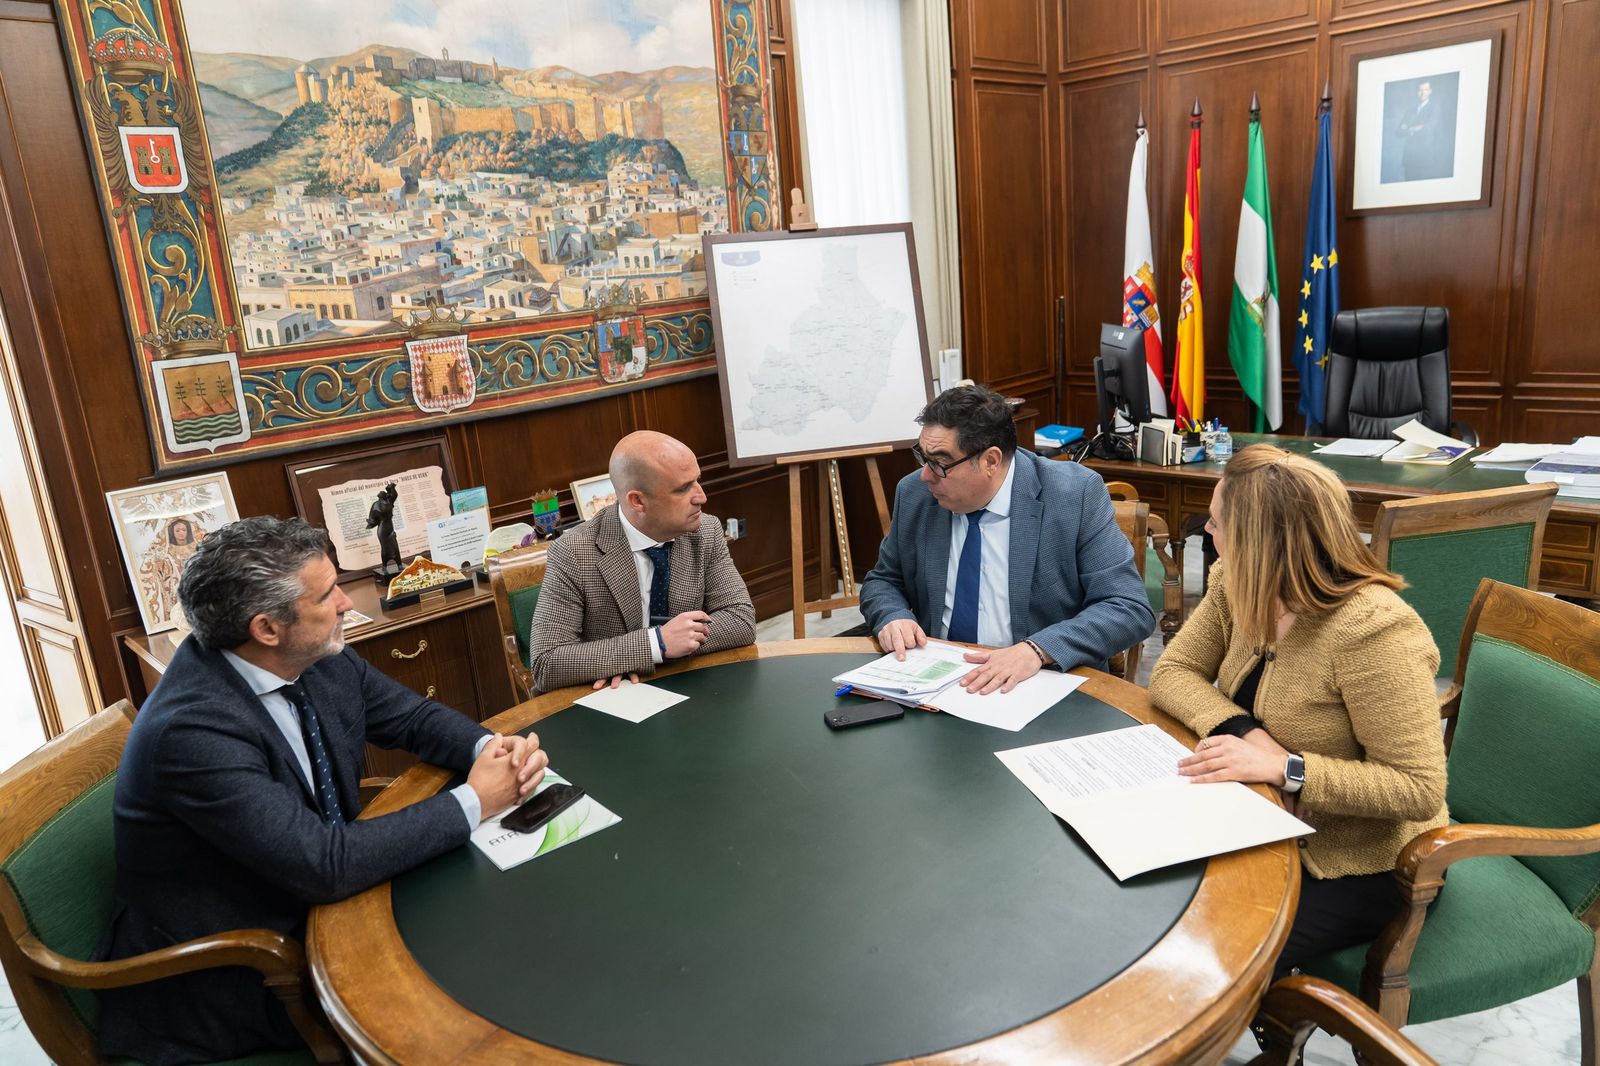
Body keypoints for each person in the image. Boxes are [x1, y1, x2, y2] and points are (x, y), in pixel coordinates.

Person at [97, 516, 548, 1065]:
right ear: (267, 628)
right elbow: (322, 865)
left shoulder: (311, 655)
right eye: (328, 593)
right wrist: (477, 801)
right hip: (243, 968)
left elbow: (413, 719)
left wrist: (491, 752)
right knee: (480, 983)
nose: (344, 603)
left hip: (322, 895)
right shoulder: (192, 731)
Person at [1148, 444, 1447, 981]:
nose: (1207, 533)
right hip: (1257, 821)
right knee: (1145, 902)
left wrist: (1289, 770)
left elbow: (1418, 788)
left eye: (1216, 523)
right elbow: (1173, 674)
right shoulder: (1237, 584)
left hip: (1360, 861)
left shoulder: (1374, 631)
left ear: (1260, 543)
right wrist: (1249, 734)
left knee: (1203, 955)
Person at [859, 385, 1155, 692]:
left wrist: (1037, 650)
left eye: (940, 462)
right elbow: (883, 581)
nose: (926, 475)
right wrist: (892, 616)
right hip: (936, 680)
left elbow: (1127, 607)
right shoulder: (916, 494)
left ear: (990, 461)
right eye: (923, 456)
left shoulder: (1074, 495)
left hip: (1038, 682)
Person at [529, 430, 755, 691]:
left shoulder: (706, 531)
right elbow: (547, 663)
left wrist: (662, 652)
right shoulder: (574, 552)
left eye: (697, 481)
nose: (701, 497)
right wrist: (655, 644)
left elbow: (740, 620)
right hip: (608, 702)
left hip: (689, 686)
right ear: (637, 501)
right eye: (683, 489)